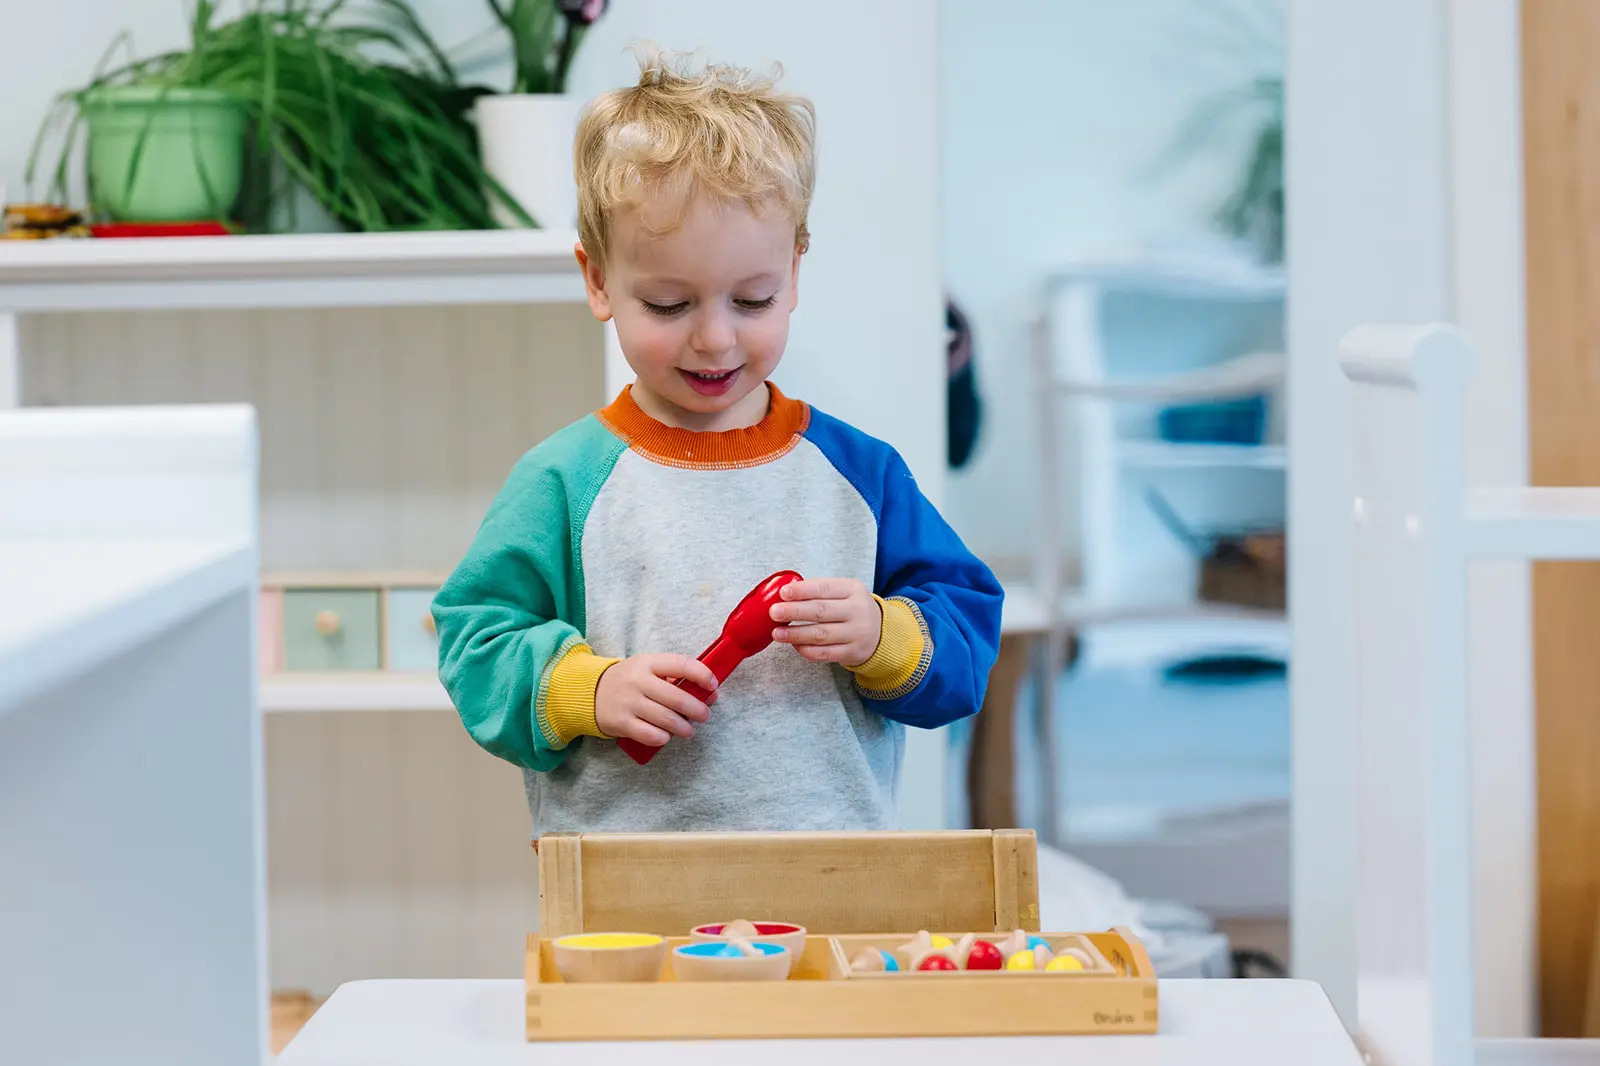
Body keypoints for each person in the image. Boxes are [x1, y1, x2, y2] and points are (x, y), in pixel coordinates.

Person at [432, 48, 1004, 835]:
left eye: (752, 298)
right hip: (624, 902)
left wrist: (883, 635)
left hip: (829, 889)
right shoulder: (565, 481)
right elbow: (476, 638)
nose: (714, 338)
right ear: (598, 280)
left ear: (794, 272)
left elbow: (966, 637)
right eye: (668, 304)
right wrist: (583, 690)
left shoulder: (859, 474)